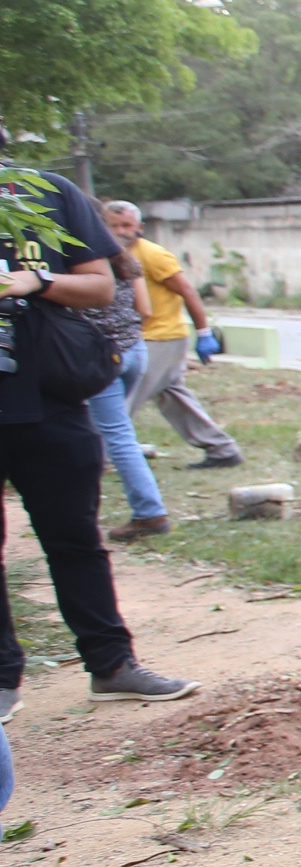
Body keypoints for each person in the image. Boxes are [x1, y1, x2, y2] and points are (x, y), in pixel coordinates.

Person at [0, 169, 198, 722]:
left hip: (50, 400)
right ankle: (2, 677)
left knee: (75, 538)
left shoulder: (46, 194)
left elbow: (100, 285)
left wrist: (35, 282)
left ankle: (111, 665)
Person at [99, 201, 240, 470]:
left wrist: (203, 332)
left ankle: (103, 454)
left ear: (139, 228)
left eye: (127, 225)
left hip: (161, 337)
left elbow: (187, 291)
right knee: (173, 396)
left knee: (121, 400)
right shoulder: (107, 256)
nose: (120, 231)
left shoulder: (152, 254)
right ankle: (222, 450)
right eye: (113, 225)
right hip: (137, 336)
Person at [76, 215, 168, 541]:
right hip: (134, 351)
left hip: (102, 356)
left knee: (116, 435)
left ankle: (149, 511)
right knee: (107, 430)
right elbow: (144, 308)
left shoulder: (76, 262)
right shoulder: (122, 257)